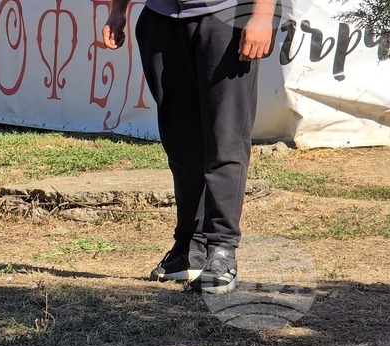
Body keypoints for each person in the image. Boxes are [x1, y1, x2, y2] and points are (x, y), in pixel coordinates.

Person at [103, 0, 277, 294]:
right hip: (161, 19)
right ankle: (189, 247)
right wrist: (118, 9)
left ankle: (222, 250)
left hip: (225, 17)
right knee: (180, 140)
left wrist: (261, 16)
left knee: (226, 139)